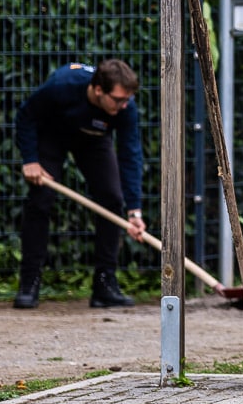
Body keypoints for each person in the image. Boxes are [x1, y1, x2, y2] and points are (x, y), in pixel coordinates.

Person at [14, 59, 147, 309]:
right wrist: (30, 159)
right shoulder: (62, 86)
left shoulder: (125, 108)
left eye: (127, 99)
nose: (124, 104)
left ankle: (104, 285)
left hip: (94, 140)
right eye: (118, 99)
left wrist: (134, 210)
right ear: (98, 90)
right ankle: (29, 282)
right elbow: (26, 116)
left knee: (112, 199)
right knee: (40, 200)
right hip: (52, 136)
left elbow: (131, 154)